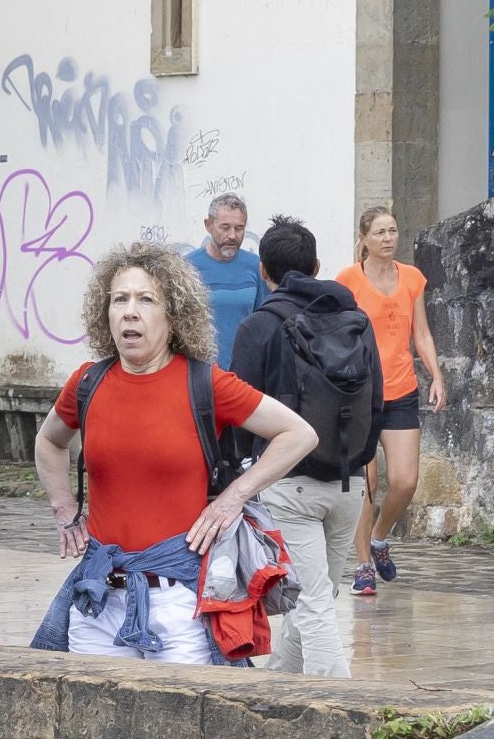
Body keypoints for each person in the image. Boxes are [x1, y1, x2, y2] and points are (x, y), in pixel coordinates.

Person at [31, 242, 316, 664]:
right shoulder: (86, 383)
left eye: (146, 300)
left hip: (179, 604)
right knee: (89, 725)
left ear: (173, 314)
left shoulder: (205, 383)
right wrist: (63, 507)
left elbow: (298, 433)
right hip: (97, 599)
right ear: (104, 311)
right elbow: (49, 441)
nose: (130, 311)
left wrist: (232, 499)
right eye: (119, 299)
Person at [228, 215, 381, 677]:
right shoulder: (357, 320)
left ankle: (344, 708)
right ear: (316, 265)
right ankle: (279, 688)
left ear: (262, 270)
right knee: (314, 597)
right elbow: (379, 399)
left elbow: (237, 410)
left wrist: (234, 471)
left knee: (313, 604)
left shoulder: (259, 326)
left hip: (287, 485)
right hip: (349, 482)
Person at [335, 206, 447, 596]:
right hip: (360, 392)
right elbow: (339, 336)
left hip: (400, 388)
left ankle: (380, 539)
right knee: (367, 483)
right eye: (380, 232)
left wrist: (436, 376)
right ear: (364, 238)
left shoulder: (412, 278)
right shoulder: (348, 280)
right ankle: (363, 565)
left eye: (393, 231)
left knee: (404, 480)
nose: (388, 238)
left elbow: (423, 334)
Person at [184, 193, 267, 367]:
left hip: (245, 374)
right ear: (208, 225)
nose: (232, 235)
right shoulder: (187, 268)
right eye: (225, 227)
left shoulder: (256, 266)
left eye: (239, 228)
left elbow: (264, 322)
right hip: (202, 374)